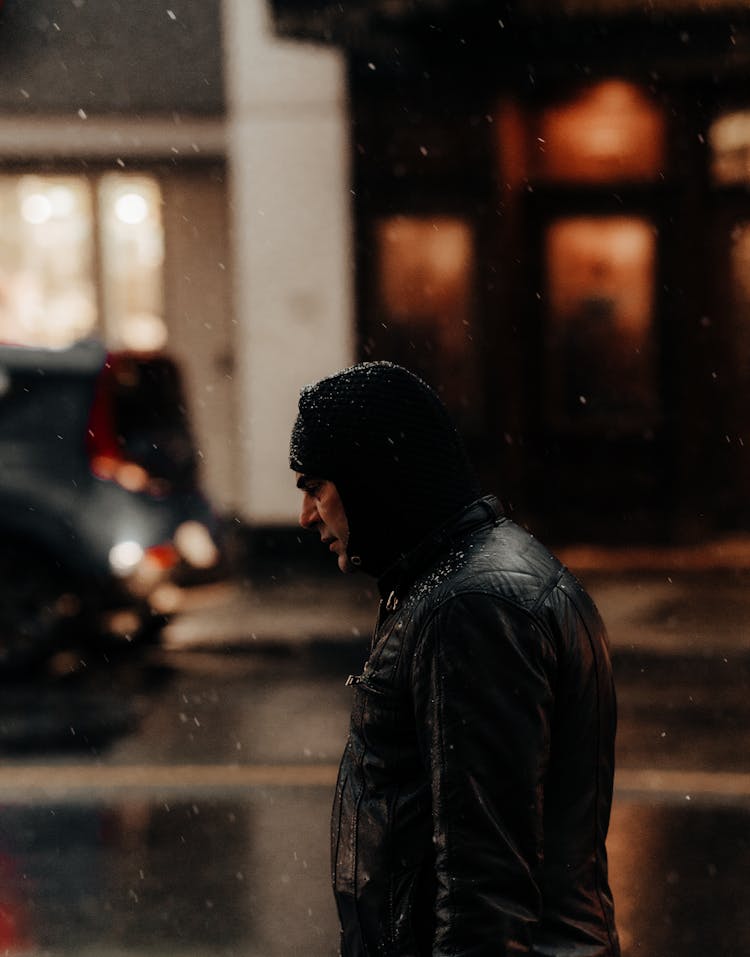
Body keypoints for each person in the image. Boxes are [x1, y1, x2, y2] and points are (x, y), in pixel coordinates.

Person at [289, 361, 620, 957]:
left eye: (315, 487)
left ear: (371, 477)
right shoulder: (461, 582)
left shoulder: (471, 606)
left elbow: (484, 877)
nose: (307, 515)